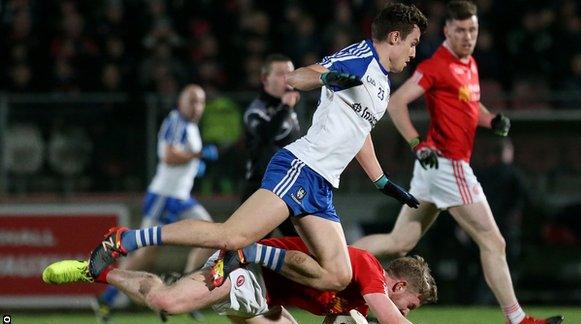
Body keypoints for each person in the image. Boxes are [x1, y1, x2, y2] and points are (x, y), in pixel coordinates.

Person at [86, 3, 427, 296]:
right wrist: (328, 78)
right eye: (412, 44)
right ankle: (125, 239)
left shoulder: (382, 83)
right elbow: (296, 78)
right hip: (301, 167)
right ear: (394, 37)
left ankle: (251, 253)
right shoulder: (360, 56)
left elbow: (359, 131)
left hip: (323, 184)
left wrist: (381, 181)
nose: (414, 53)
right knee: (228, 234)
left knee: (338, 275)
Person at [352, 1, 562, 324]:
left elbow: (469, 103)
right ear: (447, 30)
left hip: (436, 168)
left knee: (399, 241)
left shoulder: (469, 64)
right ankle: (517, 321)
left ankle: (339, 268)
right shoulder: (438, 65)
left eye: (473, 31)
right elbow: (397, 102)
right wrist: (417, 143)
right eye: (461, 30)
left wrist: (491, 119)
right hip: (446, 164)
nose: (468, 36)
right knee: (493, 241)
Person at [43, 236, 438, 324]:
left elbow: (338, 317)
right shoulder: (368, 267)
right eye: (410, 306)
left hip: (267, 300)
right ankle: (99, 270)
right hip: (247, 268)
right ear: (398, 285)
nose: (405, 315)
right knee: (165, 301)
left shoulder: (360, 306)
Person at [94, 84, 217, 322]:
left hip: (181, 197)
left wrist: (193, 167)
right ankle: (107, 298)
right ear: (180, 102)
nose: (196, 106)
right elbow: (169, 156)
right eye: (192, 101)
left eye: (200, 102)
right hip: (164, 197)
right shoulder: (176, 122)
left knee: (211, 236)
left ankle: (187, 289)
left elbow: (179, 159)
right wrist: (197, 156)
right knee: (145, 255)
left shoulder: (190, 126)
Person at [241, 54, 302, 237]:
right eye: (281, 73)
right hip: (260, 187)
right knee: (247, 245)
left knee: (297, 245)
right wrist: (284, 108)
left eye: (291, 73)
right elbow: (266, 135)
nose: (288, 78)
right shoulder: (256, 109)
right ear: (265, 79)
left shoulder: (288, 107)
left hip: (286, 185)